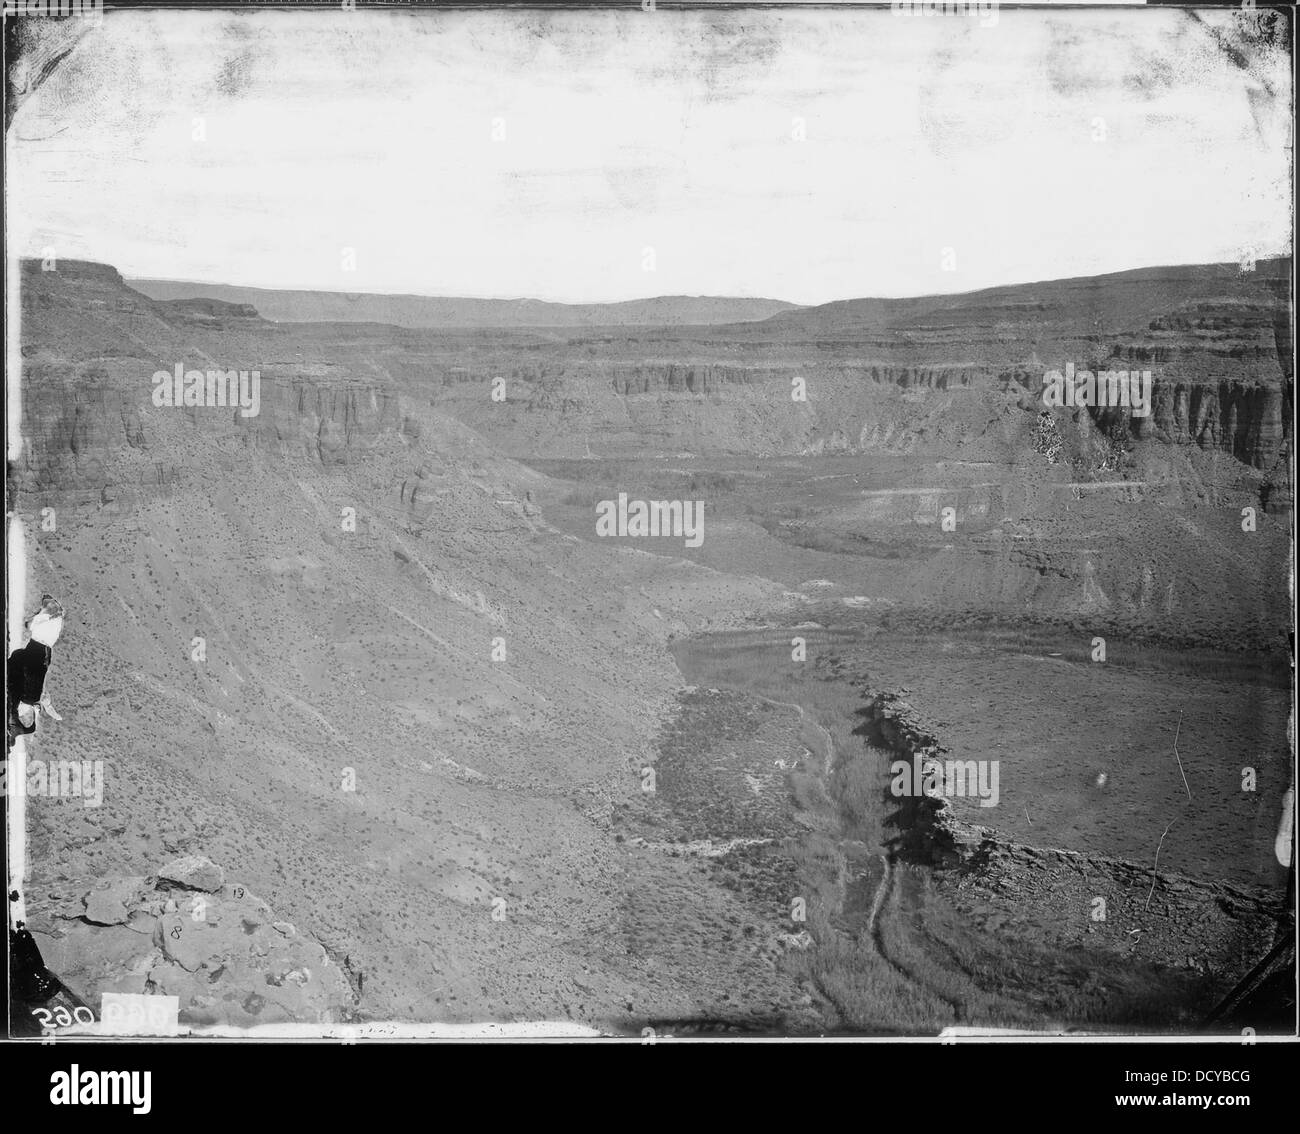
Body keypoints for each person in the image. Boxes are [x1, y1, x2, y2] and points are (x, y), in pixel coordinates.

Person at [6, 594, 65, 752]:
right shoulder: (51, 618)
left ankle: (14, 722)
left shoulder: (50, 619)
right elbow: (29, 623)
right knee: (17, 669)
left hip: (38, 650)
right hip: (37, 650)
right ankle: (14, 722)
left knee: (22, 680)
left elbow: (29, 623)